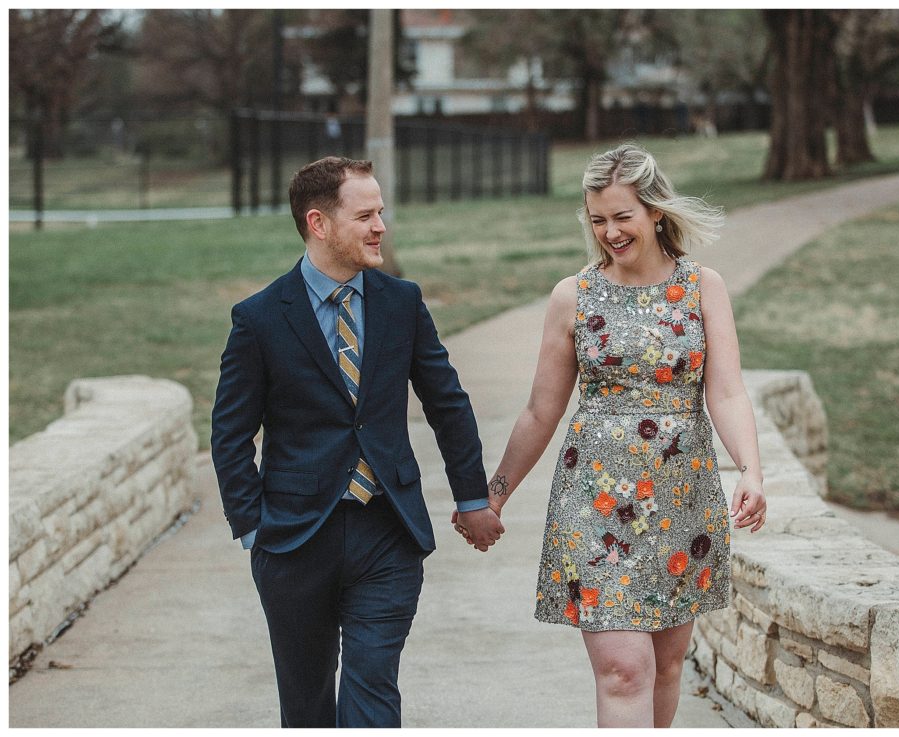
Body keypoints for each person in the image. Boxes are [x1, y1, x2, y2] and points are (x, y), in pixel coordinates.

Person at [454, 143, 767, 727]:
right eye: (598, 220)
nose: (610, 233)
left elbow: (725, 391)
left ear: (655, 211)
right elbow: (539, 412)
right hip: (595, 503)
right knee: (624, 670)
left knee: (668, 668)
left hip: (683, 500)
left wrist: (749, 468)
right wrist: (493, 494)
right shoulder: (573, 296)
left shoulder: (704, 287)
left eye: (622, 217)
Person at [211, 156, 504, 728]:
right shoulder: (260, 318)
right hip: (294, 539)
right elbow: (230, 433)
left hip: (388, 531)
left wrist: (472, 498)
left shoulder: (402, 302)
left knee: (372, 689)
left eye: (381, 213)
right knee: (307, 705)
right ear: (318, 223)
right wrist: (253, 526)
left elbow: (447, 403)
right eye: (365, 215)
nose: (380, 227)